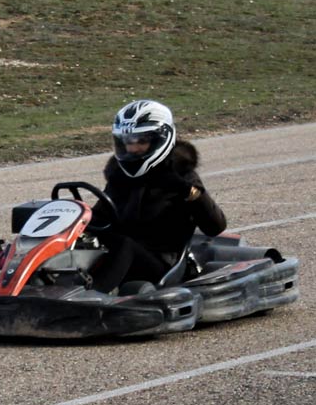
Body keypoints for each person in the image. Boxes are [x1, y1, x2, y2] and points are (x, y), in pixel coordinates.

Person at [90, 100, 227, 293]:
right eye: (128, 141)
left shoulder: (181, 176)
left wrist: (189, 192)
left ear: (159, 139)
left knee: (124, 244)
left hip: (163, 263)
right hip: (125, 256)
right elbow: (101, 217)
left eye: (141, 141)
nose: (133, 148)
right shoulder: (120, 177)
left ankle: (95, 295)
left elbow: (215, 226)